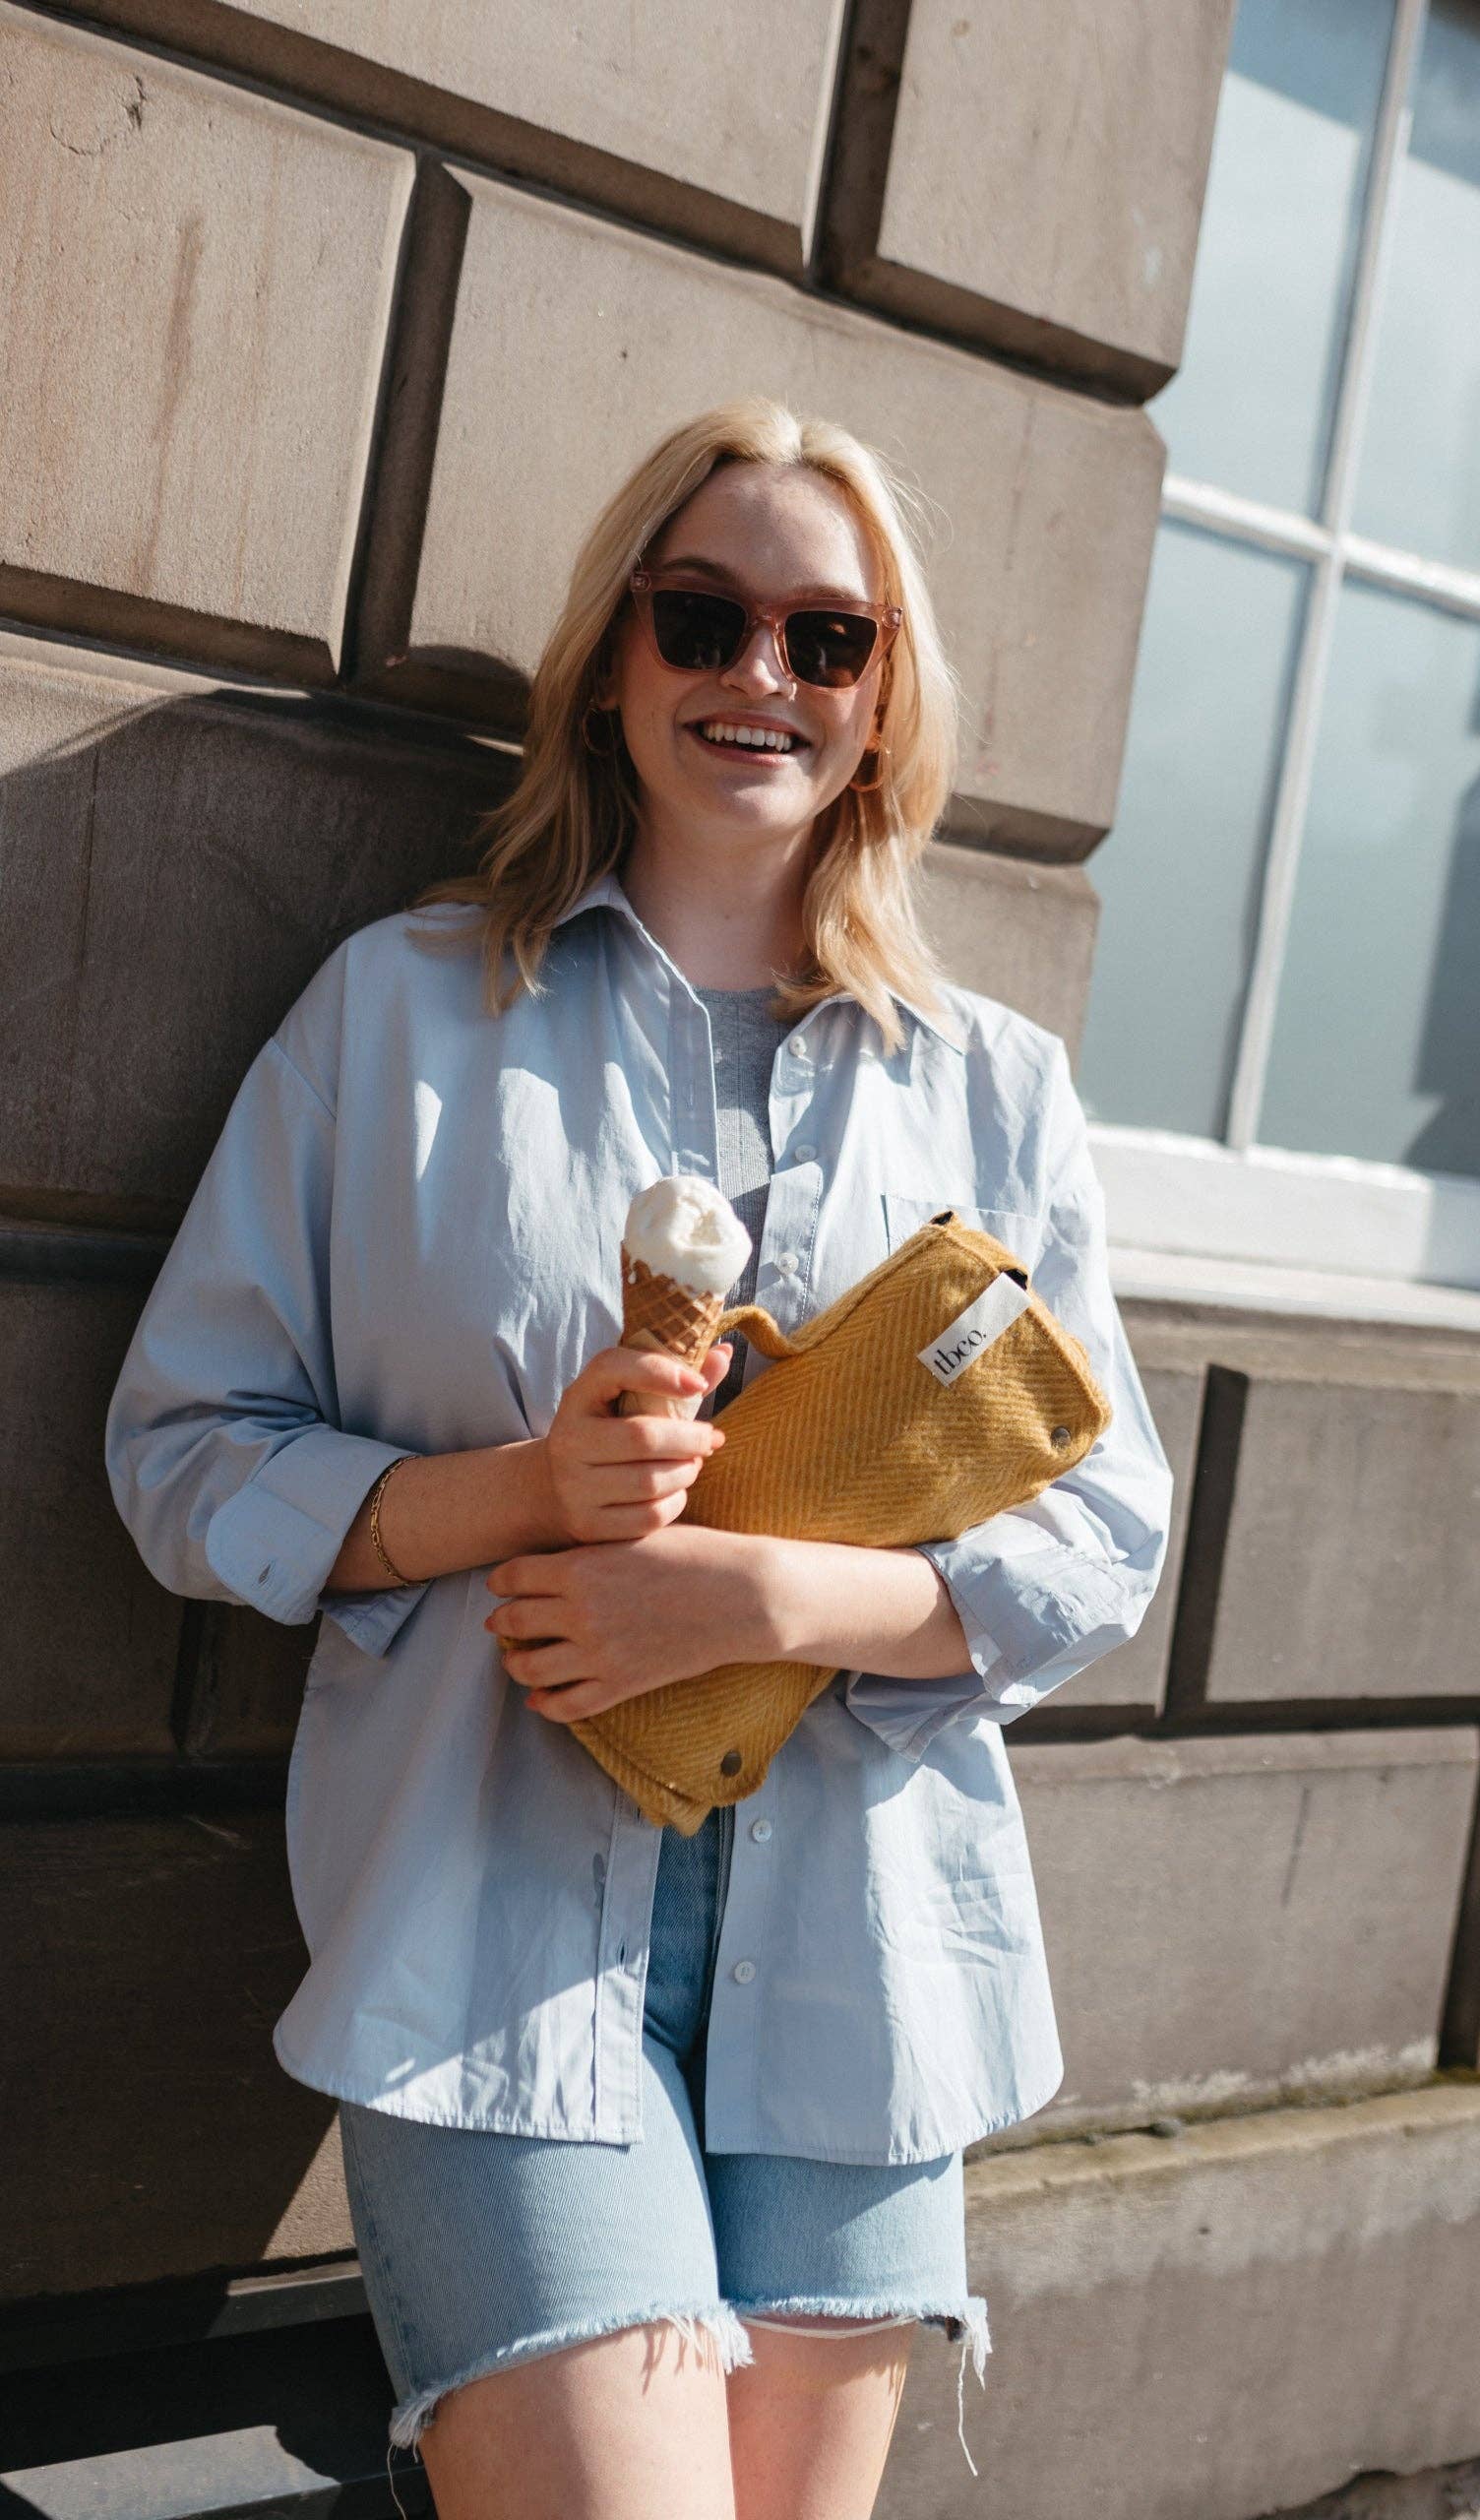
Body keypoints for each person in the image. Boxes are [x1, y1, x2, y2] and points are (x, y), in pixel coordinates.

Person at [104, 397, 1173, 2520]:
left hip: (867, 1956)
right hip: (489, 1938)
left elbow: (1104, 1515)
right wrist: (521, 1495)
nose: (756, 675)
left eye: (824, 638)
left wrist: (773, 1597)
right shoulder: (397, 1017)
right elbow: (180, 1446)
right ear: (613, 655)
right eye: (701, 615)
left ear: (881, 702)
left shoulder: (994, 1089)